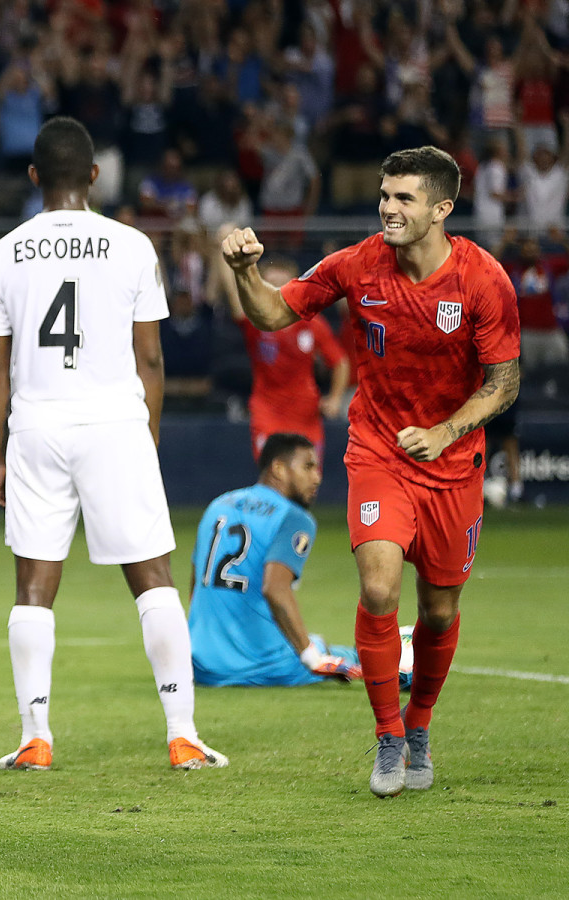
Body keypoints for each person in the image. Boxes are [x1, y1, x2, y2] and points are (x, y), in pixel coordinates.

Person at [221, 146, 520, 797]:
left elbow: (504, 383)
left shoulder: (482, 279)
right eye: (385, 195)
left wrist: (444, 432)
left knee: (438, 611)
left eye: (404, 198)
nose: (388, 207)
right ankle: (388, 737)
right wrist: (245, 273)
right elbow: (272, 312)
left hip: (453, 465)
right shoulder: (356, 265)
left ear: (442, 208)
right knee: (380, 588)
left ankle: (419, 724)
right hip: (379, 452)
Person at [0, 116, 227, 773]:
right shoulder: (133, 246)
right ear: (94, 176)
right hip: (116, 424)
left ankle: (35, 738)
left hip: (37, 426)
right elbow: (152, 359)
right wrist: (148, 436)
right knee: (152, 579)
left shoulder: (3, 254)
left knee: (33, 586)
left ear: (34, 176)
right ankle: (182, 734)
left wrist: (0, 453)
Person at [189, 433, 363, 687]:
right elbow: (275, 589)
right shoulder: (293, 517)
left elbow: (196, 586)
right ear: (279, 468)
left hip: (201, 665)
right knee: (362, 657)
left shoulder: (218, 505)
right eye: (308, 467)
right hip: (261, 665)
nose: (317, 477)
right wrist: (311, 657)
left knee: (313, 641)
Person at [218, 256, 349, 463]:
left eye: (283, 284)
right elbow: (234, 295)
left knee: (306, 477)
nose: (277, 291)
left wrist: (335, 398)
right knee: (274, 473)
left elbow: (340, 362)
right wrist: (224, 255)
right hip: (267, 412)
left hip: (305, 416)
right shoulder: (256, 321)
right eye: (271, 285)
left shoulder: (312, 323)